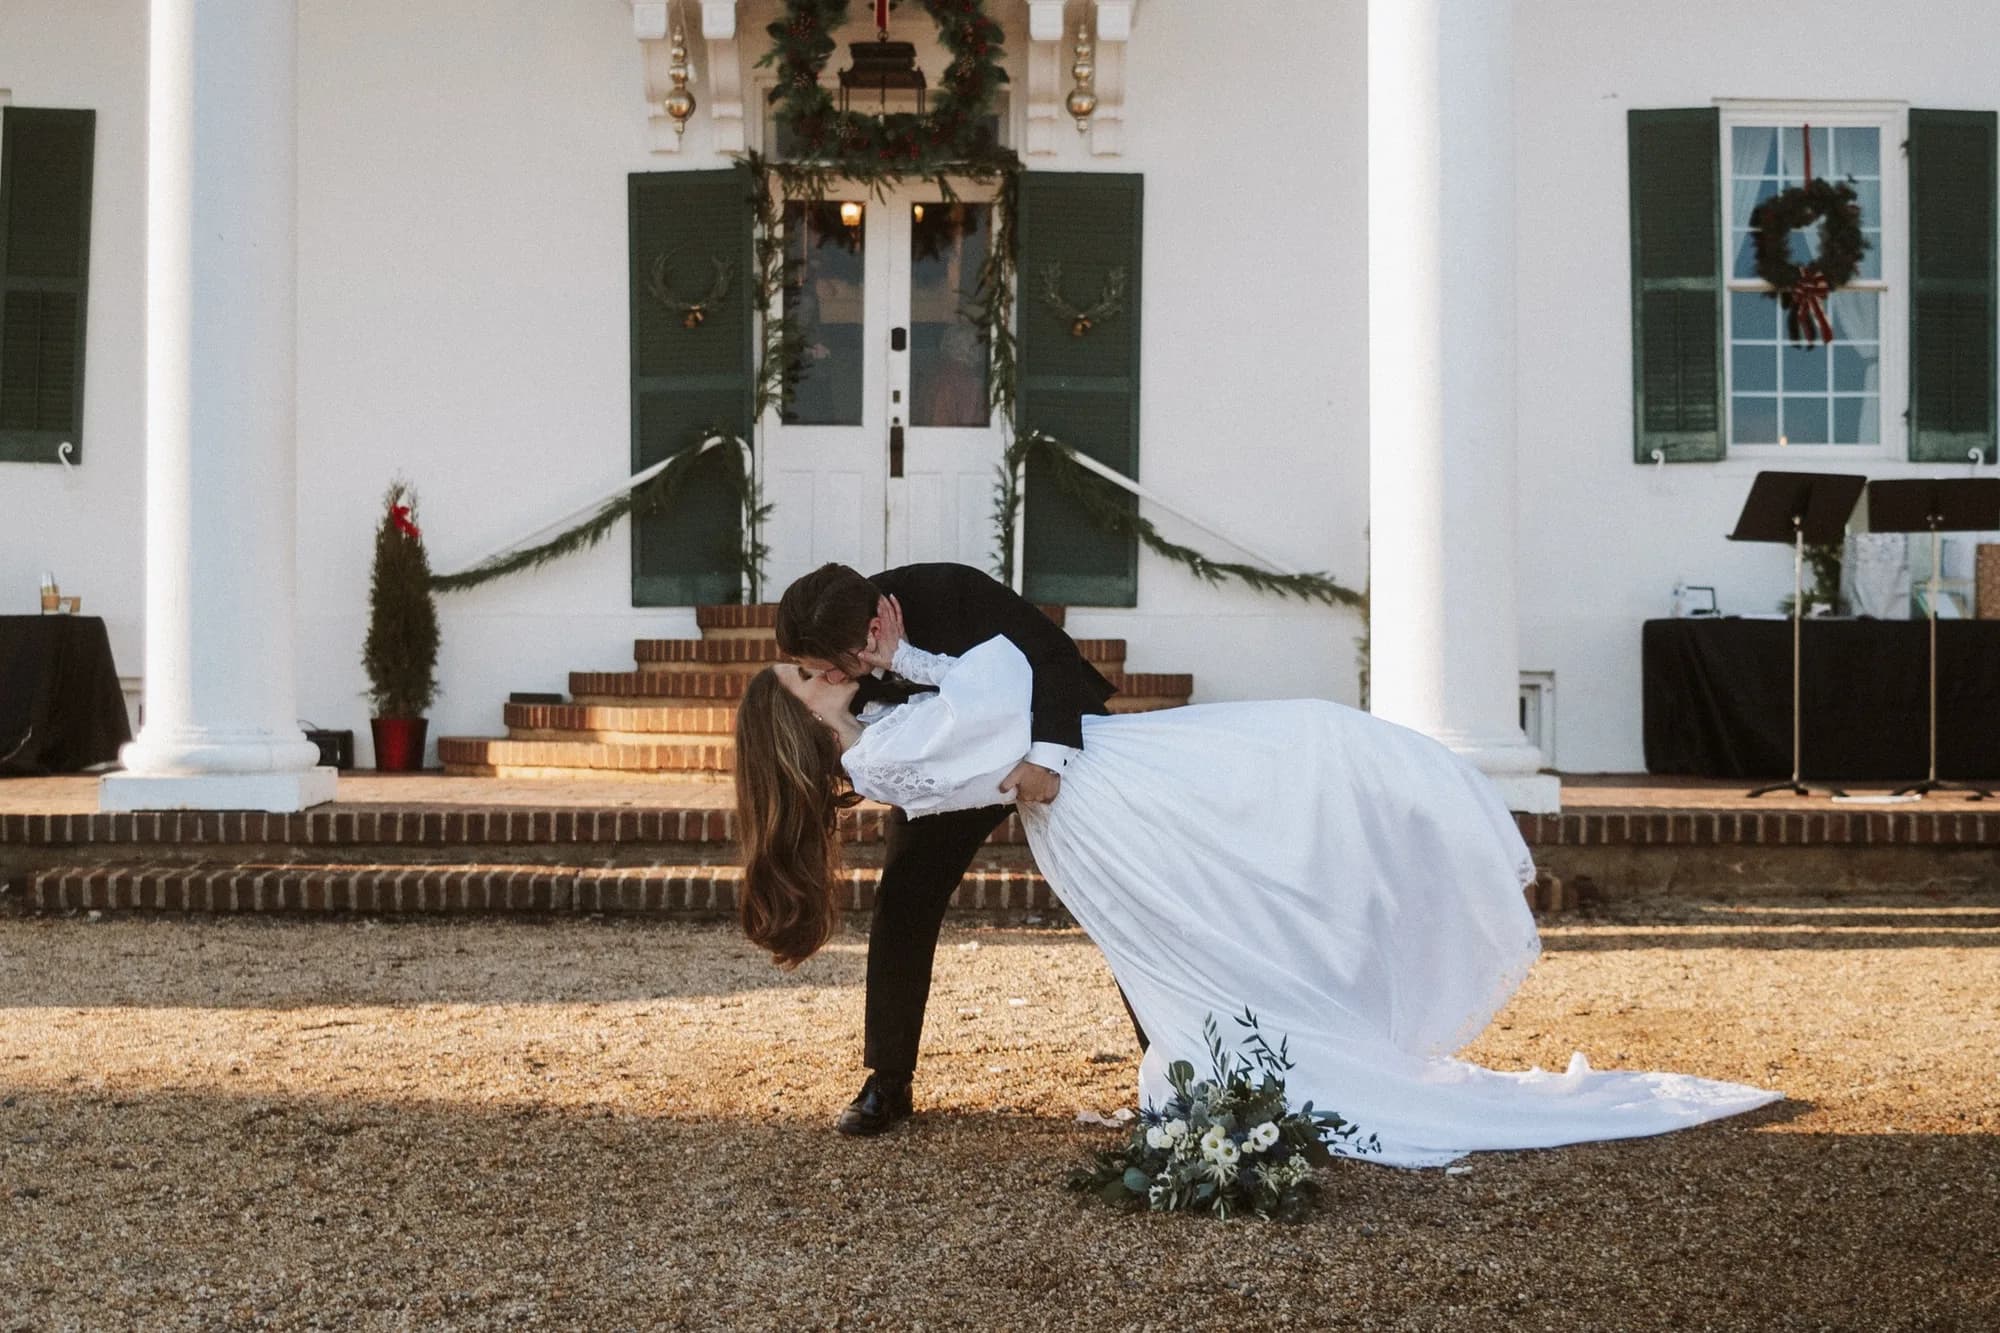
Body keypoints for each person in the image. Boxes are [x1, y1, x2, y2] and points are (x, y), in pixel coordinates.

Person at [736, 619, 1783, 1167]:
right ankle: (1267, 1034)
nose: (813, 669)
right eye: (796, 678)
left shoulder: (888, 740)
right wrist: (913, 657)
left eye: (802, 663)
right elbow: (1003, 684)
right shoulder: (882, 753)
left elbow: (994, 699)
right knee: (1244, 861)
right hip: (1104, 797)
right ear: (797, 722)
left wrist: (915, 667)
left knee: (1264, 829)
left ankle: (1264, 1022)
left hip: (1100, 784)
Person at [766, 562, 1128, 1137]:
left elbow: (1052, 657)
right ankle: (889, 1078)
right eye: (830, 668)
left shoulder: (950, 592)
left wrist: (1048, 756)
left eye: (851, 660)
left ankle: (1167, 1058)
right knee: (904, 897)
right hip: (953, 770)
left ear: (878, 618)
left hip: (1049, 743)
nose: (845, 676)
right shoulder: (834, 642)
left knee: (1115, 893)